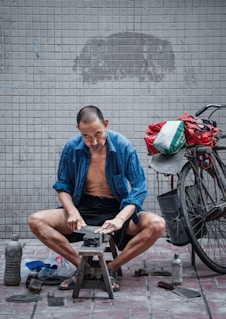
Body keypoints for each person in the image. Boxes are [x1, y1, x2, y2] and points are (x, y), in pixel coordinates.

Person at [28, 105, 165, 291]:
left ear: (106, 124)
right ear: (79, 131)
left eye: (98, 134)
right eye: (86, 136)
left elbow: (139, 189)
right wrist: (72, 211)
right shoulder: (71, 148)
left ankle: (111, 268)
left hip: (117, 208)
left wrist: (120, 218)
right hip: (84, 209)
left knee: (157, 224)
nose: (93, 141)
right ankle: (84, 267)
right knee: (36, 221)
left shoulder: (123, 146)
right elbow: (62, 187)